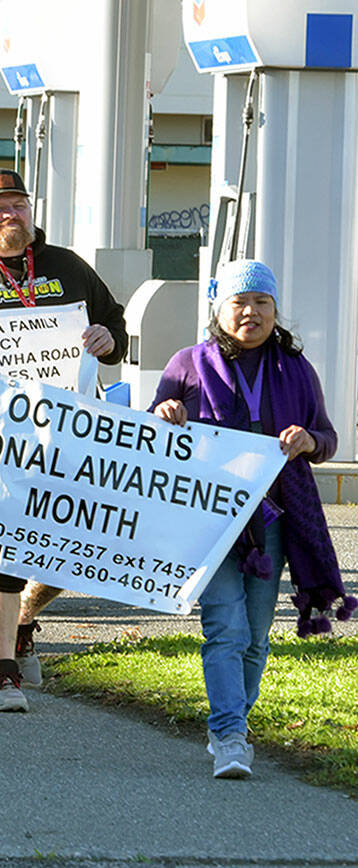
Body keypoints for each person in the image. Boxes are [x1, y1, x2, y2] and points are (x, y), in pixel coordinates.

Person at [0, 168, 127, 712]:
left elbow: (114, 326)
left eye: (19, 205)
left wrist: (109, 339)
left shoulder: (68, 267)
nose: (11, 214)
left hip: (69, 439)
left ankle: (23, 623)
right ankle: (2, 671)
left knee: (72, 543)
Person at [150, 258, 354, 779]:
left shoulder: (297, 368)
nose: (251, 312)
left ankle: (233, 722)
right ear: (219, 309)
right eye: (240, 303)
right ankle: (230, 735)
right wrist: (165, 414)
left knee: (257, 634)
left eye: (262, 303)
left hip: (275, 518)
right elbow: (153, 431)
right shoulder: (188, 363)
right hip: (211, 516)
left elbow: (326, 438)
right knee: (225, 625)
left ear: (275, 310)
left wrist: (310, 441)